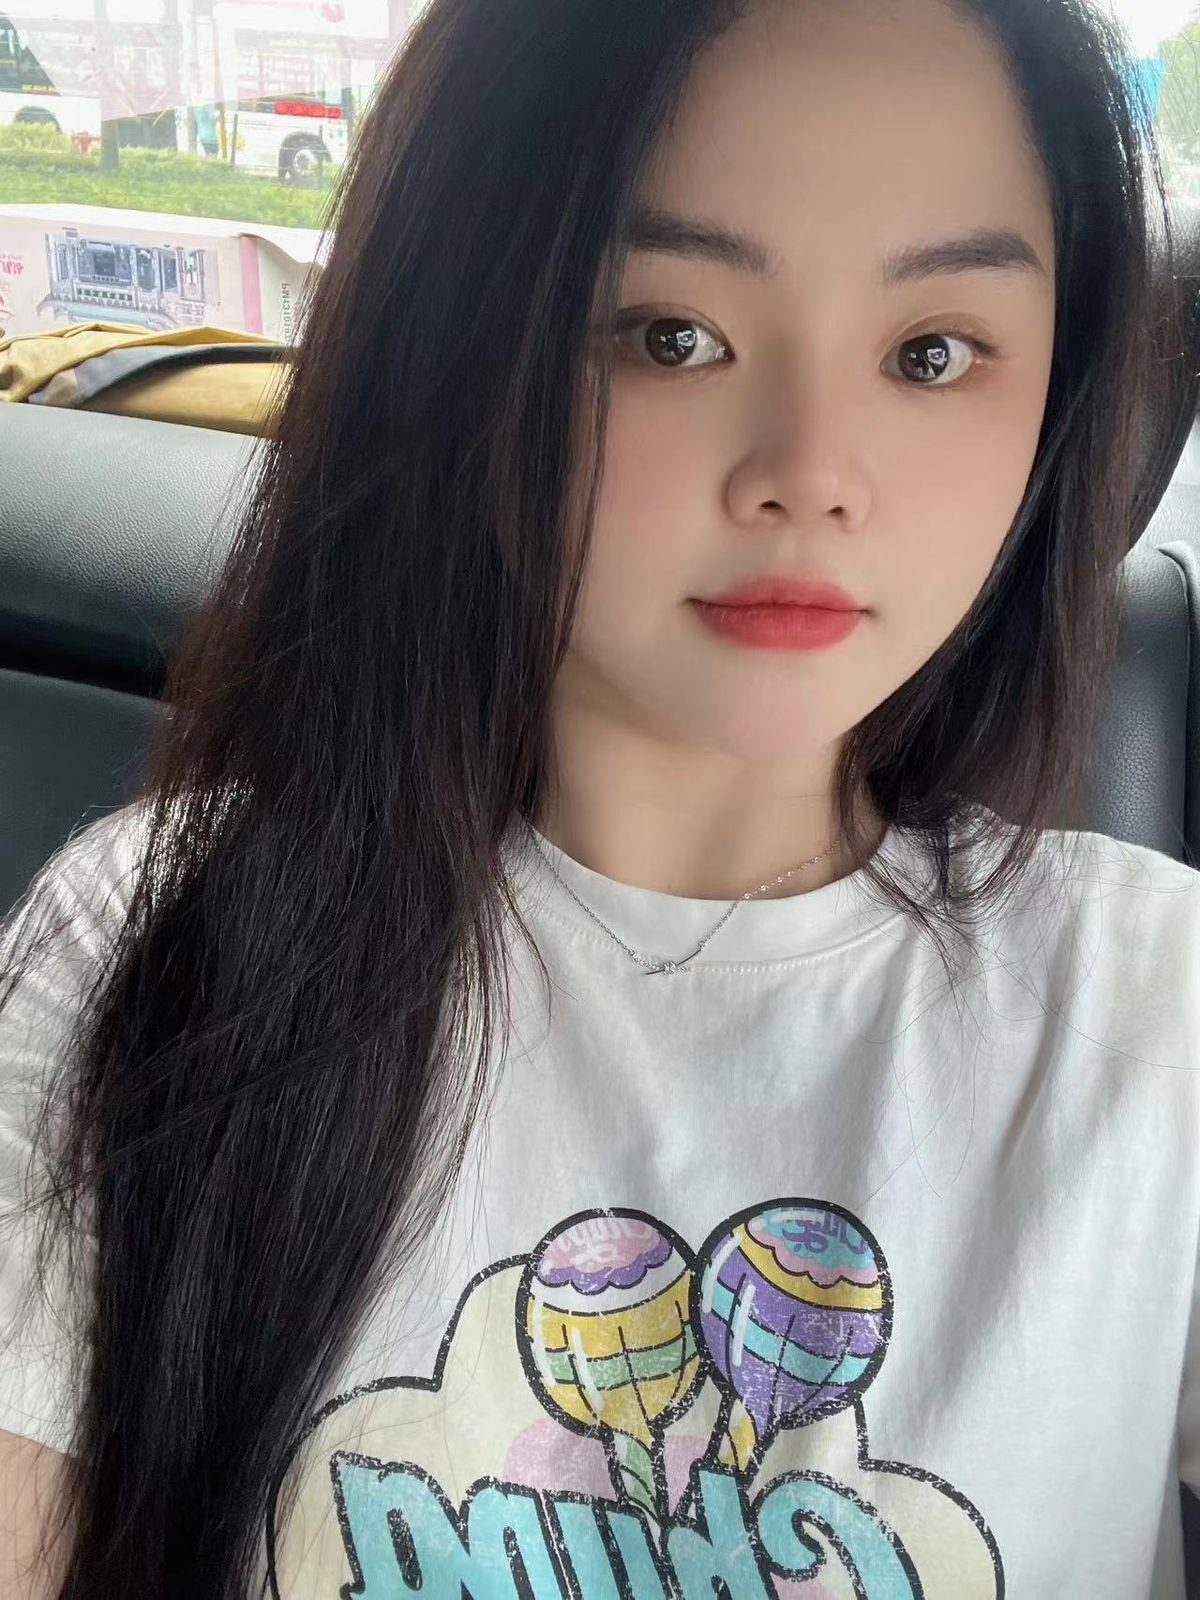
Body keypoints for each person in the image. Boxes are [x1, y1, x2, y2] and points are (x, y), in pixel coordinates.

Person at [0, 0, 1197, 1594]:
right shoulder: (153, 941)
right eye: (668, 334)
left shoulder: (1157, 1006)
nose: (809, 470)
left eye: (931, 353)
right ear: (459, 349)